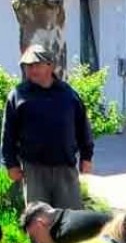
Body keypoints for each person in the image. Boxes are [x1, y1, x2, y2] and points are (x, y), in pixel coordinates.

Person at [1, 44, 95, 209]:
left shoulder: (68, 95)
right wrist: (11, 164)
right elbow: (8, 133)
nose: (31, 70)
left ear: (50, 66)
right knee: (38, 221)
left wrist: (86, 156)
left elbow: (82, 127)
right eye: (28, 66)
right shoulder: (18, 95)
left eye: (36, 65)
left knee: (70, 222)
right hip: (34, 171)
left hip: (65, 169)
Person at [20, 201, 113, 243]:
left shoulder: (65, 234)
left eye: (35, 236)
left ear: (40, 224)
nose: (39, 242)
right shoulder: (67, 218)